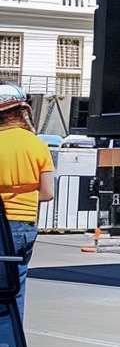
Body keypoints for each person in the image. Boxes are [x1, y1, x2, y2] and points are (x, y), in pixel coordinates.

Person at [0, 84, 55, 321]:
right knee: (16, 287)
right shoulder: (37, 145)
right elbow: (47, 193)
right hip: (25, 225)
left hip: (1, 224)